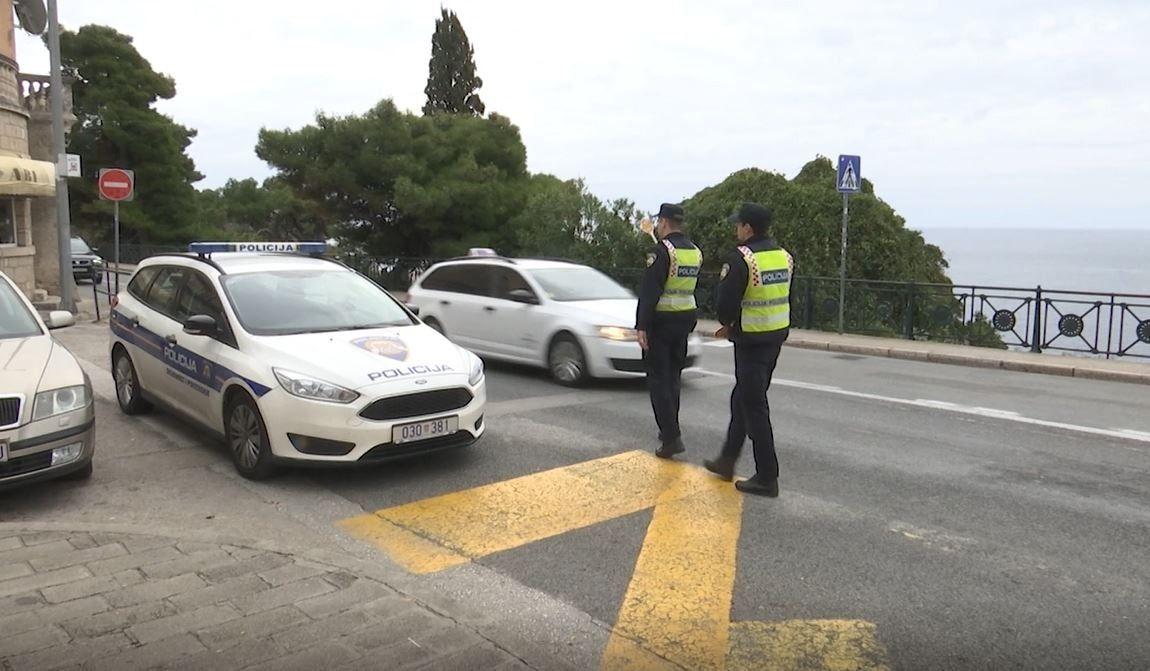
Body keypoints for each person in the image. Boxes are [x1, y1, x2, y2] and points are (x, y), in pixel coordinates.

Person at [705, 202, 793, 496]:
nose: (736, 229)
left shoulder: (742, 259)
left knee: (754, 405)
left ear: (748, 228)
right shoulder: (784, 257)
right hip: (774, 337)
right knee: (742, 397)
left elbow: (725, 305)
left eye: (738, 224)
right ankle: (727, 460)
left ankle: (768, 476)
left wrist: (727, 322)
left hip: (751, 340)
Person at [636, 203, 702, 459]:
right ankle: (670, 431)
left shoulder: (661, 252)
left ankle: (671, 436)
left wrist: (642, 325)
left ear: (663, 223)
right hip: (685, 320)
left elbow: (650, 291)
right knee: (673, 379)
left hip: (662, 323)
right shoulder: (695, 252)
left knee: (659, 381)